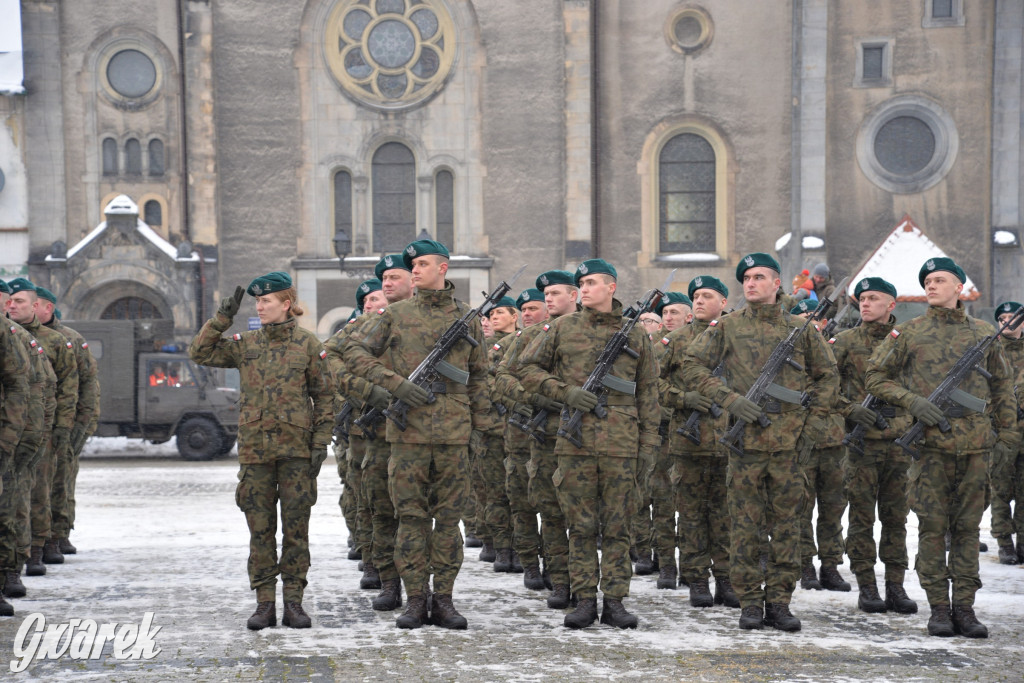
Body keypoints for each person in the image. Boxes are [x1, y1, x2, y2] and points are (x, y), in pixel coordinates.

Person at [681, 253, 838, 632]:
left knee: (787, 526)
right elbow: (691, 365)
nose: (750, 283)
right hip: (745, 445)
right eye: (746, 278)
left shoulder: (801, 330)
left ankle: (780, 602)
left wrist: (811, 425)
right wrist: (729, 399)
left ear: (776, 284)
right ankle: (750, 602)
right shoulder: (728, 327)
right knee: (745, 527)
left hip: (788, 447)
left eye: (758, 277)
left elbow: (828, 377)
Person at [866, 258, 1018, 638]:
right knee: (933, 529)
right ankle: (938, 608)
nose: (931, 286)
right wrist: (911, 401)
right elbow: (875, 376)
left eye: (940, 280)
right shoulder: (910, 333)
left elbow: (1002, 389)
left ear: (959, 288)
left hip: (975, 448)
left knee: (967, 530)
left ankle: (964, 607)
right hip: (930, 449)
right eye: (927, 281)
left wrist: (1007, 438)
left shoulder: (983, 334)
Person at [343, 239, 488, 630]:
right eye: (413, 266)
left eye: (423, 264)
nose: (416, 270)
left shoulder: (467, 318)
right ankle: (415, 599)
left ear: (443, 268)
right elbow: (354, 354)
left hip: (454, 434)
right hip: (407, 433)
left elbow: (479, 379)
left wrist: (480, 430)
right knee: (410, 519)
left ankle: (444, 599)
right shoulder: (396, 315)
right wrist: (395, 384)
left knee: (448, 521)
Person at [517, 259, 661, 629]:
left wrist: (647, 447)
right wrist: (567, 394)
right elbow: (527, 370)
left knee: (617, 526)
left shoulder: (635, 334)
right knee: (580, 526)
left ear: (611, 288)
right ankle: (583, 599)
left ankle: (614, 600)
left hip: (622, 443)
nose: (584, 288)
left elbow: (647, 393)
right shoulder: (562, 328)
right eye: (581, 283)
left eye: (592, 282)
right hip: (575, 441)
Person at [189, 271, 335, 630]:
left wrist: (320, 442)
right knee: (260, 530)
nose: (259, 306)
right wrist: (222, 318)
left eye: (266, 301)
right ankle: (264, 603)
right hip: (255, 453)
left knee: (296, 531)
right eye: (257, 301)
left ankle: (295, 604)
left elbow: (326, 396)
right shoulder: (245, 343)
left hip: (296, 454)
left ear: (286, 303)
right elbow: (200, 351)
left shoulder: (306, 344)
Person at [829, 277, 917, 614]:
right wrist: (851, 410)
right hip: (861, 445)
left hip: (898, 442)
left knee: (896, 519)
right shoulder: (845, 343)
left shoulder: (908, 341)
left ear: (891, 305)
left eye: (873, 298)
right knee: (862, 519)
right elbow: (823, 386)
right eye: (862, 299)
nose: (865, 304)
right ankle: (867, 585)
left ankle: (895, 585)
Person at [496, 270, 578, 609]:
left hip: (588, 437)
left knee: (585, 515)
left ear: (574, 295)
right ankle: (557, 578)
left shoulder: (597, 333)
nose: (547, 299)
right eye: (545, 294)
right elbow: (501, 378)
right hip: (544, 437)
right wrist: (535, 400)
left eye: (555, 293)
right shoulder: (528, 338)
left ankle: (586, 582)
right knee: (550, 510)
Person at [659, 275, 737, 607]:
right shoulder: (675, 342)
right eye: (696, 296)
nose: (700, 301)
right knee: (690, 515)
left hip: (730, 443)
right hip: (688, 443)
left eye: (708, 295)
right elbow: (652, 385)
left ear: (724, 302)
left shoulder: (737, 338)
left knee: (726, 515)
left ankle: (726, 579)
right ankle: (697, 580)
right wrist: (684, 398)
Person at [5, 278, 78, 574]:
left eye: (18, 301)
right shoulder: (10, 336)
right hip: (12, 429)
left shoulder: (54, 341)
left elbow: (67, 389)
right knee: (16, 495)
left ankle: (38, 546)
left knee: (39, 491)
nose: (12, 306)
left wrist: (63, 430)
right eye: (10, 301)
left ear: (36, 305)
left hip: (39, 430)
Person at [35, 287, 99, 558]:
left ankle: (58, 533)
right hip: (32, 424)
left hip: (64, 423)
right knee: (37, 486)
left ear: (47, 308)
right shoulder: (20, 338)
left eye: (28, 302)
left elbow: (86, 386)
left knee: (62, 481)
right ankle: (38, 538)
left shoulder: (69, 339)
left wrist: (81, 426)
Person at [493, 288, 548, 590]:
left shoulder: (558, 341)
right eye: (523, 309)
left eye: (534, 308)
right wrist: (521, 400)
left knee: (555, 509)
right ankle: (530, 564)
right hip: (518, 438)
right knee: (522, 505)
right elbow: (491, 380)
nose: (528, 314)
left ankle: (556, 564)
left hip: (554, 439)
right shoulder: (511, 344)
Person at [477, 296, 519, 572]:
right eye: (492, 313)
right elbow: (484, 383)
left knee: (519, 492)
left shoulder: (528, 341)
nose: (494, 317)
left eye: (500, 312)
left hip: (521, 430)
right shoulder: (492, 348)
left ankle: (522, 547)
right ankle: (501, 547)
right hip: (493, 429)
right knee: (494, 492)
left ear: (514, 316)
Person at [991, 301, 1024, 565]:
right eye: (1001, 318)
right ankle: (1004, 542)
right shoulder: (991, 352)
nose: (1006, 322)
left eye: (1012, 318)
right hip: (1002, 432)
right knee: (1000, 489)